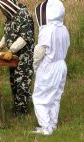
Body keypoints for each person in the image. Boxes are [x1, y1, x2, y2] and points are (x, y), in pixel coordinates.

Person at [32, 0, 70, 135]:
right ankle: (52, 124)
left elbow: (40, 51)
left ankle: (45, 127)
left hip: (49, 66)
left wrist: (35, 66)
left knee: (40, 97)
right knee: (55, 96)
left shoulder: (47, 30)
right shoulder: (63, 28)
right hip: (61, 65)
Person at [0, 0, 34, 115]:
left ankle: (23, 111)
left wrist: (11, 50)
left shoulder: (24, 15)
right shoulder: (10, 18)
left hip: (24, 57)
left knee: (22, 83)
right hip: (13, 57)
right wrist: (0, 45)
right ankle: (16, 108)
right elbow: (8, 33)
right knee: (14, 82)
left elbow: (25, 37)